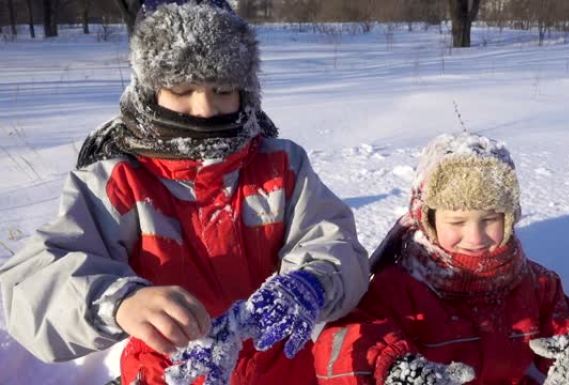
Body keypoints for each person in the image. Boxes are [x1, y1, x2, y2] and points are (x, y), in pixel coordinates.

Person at [0, 1, 369, 384]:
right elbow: (33, 285)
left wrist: (312, 282)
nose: (205, 108)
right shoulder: (117, 181)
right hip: (167, 374)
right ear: (149, 90)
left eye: (223, 89)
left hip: (282, 374)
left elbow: (338, 244)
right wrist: (119, 302)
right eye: (181, 89)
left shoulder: (283, 165)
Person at [313, 133, 569, 385]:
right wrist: (394, 368)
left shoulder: (534, 285)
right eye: (457, 222)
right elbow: (342, 348)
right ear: (427, 218)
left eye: (490, 219)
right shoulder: (396, 288)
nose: (475, 237)